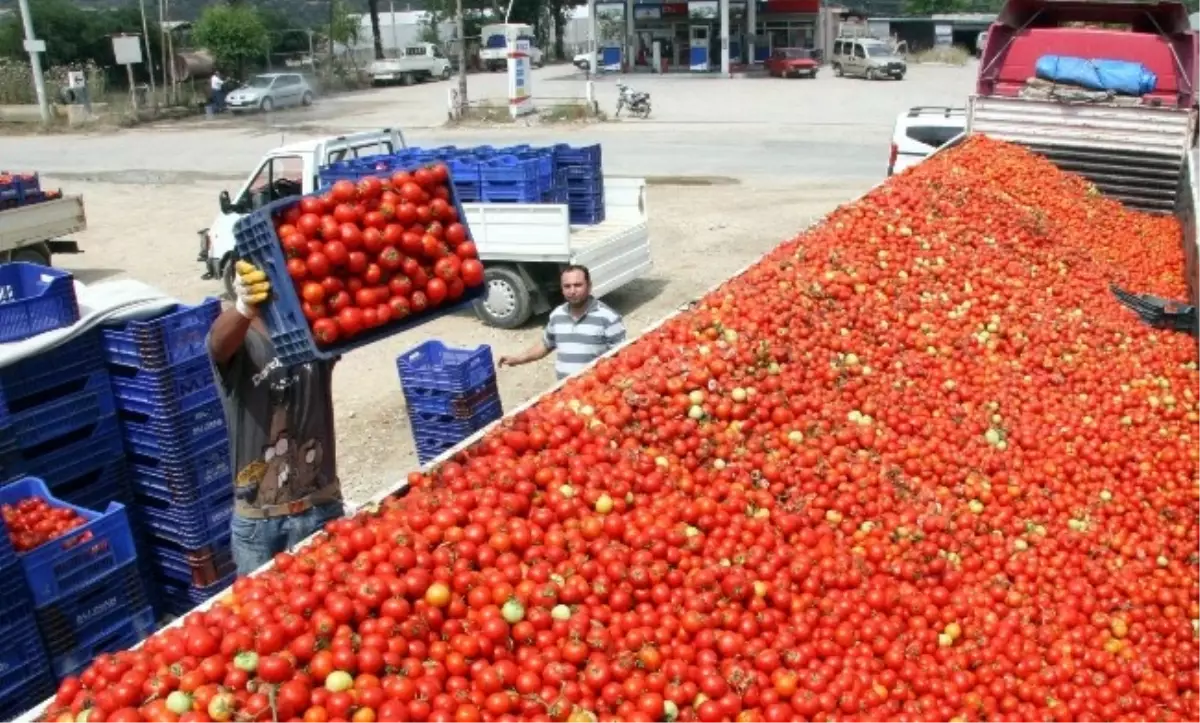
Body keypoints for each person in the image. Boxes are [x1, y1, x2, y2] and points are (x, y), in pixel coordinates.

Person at [208, 260, 344, 575]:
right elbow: (217, 344)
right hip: (258, 522)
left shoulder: (312, 329)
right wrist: (244, 309)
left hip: (319, 505)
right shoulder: (240, 339)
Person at [498, 265, 627, 380]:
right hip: (565, 390)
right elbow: (545, 345)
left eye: (578, 285)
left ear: (589, 286)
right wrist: (517, 359)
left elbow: (621, 358)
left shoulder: (608, 317)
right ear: (562, 289)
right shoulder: (557, 315)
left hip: (595, 392)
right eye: (567, 286)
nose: (572, 291)